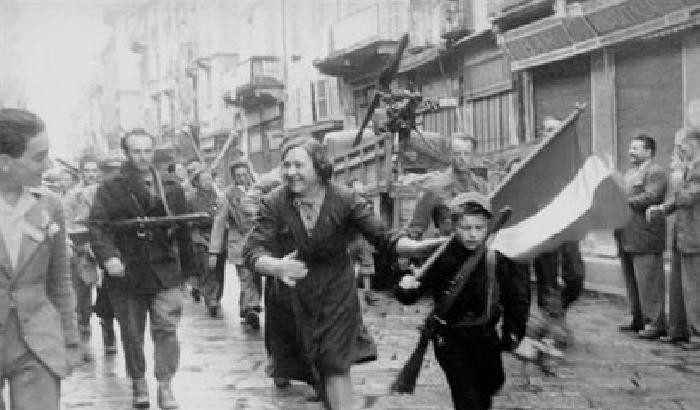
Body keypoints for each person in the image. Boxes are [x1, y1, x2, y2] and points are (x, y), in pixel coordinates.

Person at [243, 137, 445, 410]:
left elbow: (384, 237)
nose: (291, 172)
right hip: (292, 298)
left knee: (335, 364)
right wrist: (276, 266)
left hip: (335, 293)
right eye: (286, 165)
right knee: (315, 370)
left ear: (319, 167)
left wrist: (420, 248)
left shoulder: (345, 199)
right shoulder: (274, 202)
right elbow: (252, 250)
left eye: (298, 165)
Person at [89, 128, 195, 409]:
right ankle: (138, 381)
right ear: (126, 153)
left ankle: (165, 384)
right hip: (128, 270)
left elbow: (183, 229)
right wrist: (109, 258)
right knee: (132, 333)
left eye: (147, 151)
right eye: (136, 151)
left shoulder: (170, 186)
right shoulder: (111, 187)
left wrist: (189, 271)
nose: (143, 157)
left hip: (164, 269)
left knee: (167, 328)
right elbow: (98, 227)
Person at [396, 192, 530, 410]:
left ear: (488, 225)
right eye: (466, 228)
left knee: (489, 387)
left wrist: (512, 334)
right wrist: (407, 287)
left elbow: (516, 299)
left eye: (479, 227)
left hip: (485, 337)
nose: (473, 234)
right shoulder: (441, 254)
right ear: (454, 226)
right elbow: (413, 293)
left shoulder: (497, 255)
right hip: (450, 338)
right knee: (466, 397)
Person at [0, 108, 80, 409]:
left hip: (37, 342)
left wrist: (69, 339)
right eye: (38, 157)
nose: (48, 166)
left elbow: (60, 279)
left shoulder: (50, 205)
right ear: (5, 162)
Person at [648, 130, 700, 350]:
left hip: (695, 237)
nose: (677, 149)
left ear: (692, 144)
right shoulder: (688, 167)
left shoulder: (696, 169)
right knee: (677, 286)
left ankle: (697, 335)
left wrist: (677, 179)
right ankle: (677, 330)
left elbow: (688, 197)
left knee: (694, 289)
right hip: (681, 235)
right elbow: (679, 200)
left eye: (680, 144)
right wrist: (662, 208)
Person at [614, 134, 668, 339]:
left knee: (649, 282)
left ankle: (655, 323)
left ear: (648, 151)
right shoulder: (629, 173)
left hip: (645, 237)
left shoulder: (655, 172)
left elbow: (652, 196)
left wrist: (623, 202)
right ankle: (637, 318)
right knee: (632, 281)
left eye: (635, 148)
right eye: (630, 148)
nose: (630, 152)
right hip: (626, 235)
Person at [209, 160, 261, 328]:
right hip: (238, 243)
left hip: (258, 241)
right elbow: (219, 224)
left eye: (244, 174)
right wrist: (214, 251)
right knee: (246, 276)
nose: (242, 178)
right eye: (238, 175)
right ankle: (252, 307)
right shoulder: (227, 196)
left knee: (256, 275)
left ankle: (246, 307)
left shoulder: (258, 190)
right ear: (233, 177)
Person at [406, 134, 488, 240]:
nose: (462, 158)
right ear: (450, 155)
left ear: (473, 156)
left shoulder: (481, 187)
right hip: (450, 245)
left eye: (466, 154)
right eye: (457, 153)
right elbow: (415, 229)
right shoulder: (435, 187)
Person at [63, 155, 103, 359]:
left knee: (107, 289)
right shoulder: (73, 195)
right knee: (82, 291)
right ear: (81, 173)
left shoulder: (105, 192)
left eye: (94, 170)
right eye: (87, 171)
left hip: (104, 244)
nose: (91, 174)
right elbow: (67, 223)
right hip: (81, 245)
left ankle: (108, 332)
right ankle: (83, 328)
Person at [188, 170, 221, 317]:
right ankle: (211, 299)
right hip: (201, 238)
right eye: (204, 180)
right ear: (197, 183)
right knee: (208, 269)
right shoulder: (191, 199)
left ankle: (215, 296)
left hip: (218, 237)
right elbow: (188, 221)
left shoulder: (218, 196)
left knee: (219, 270)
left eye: (209, 179)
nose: (208, 183)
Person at [346, 179, 378, 305]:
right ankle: (349, 295)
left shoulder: (367, 202)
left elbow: (371, 221)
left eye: (360, 185)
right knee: (349, 268)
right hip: (350, 239)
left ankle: (368, 293)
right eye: (357, 186)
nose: (361, 187)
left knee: (367, 265)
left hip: (363, 238)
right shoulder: (347, 202)